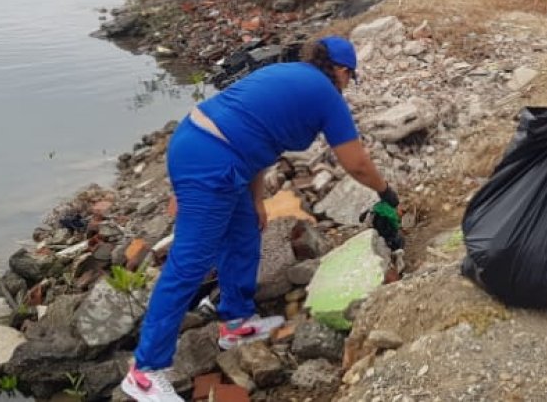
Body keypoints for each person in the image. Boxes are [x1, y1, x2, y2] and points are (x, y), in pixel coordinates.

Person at [121, 37, 399, 402]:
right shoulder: (326, 94)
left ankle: (235, 323)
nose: (347, 86)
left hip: (211, 147)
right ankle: (144, 371)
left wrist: (256, 200)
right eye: (350, 78)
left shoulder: (287, 75)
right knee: (189, 264)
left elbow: (256, 136)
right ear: (343, 71)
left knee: (246, 232)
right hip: (210, 159)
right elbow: (356, 163)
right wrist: (385, 193)